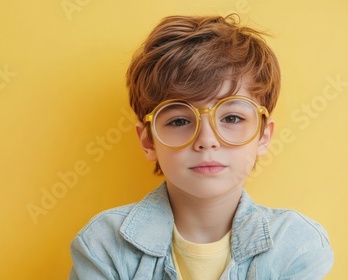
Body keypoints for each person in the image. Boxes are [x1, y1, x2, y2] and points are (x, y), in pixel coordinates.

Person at [69, 14, 334, 279]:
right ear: (149, 141)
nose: (207, 139)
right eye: (180, 120)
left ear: (263, 135)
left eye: (232, 118)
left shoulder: (298, 245)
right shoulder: (103, 245)